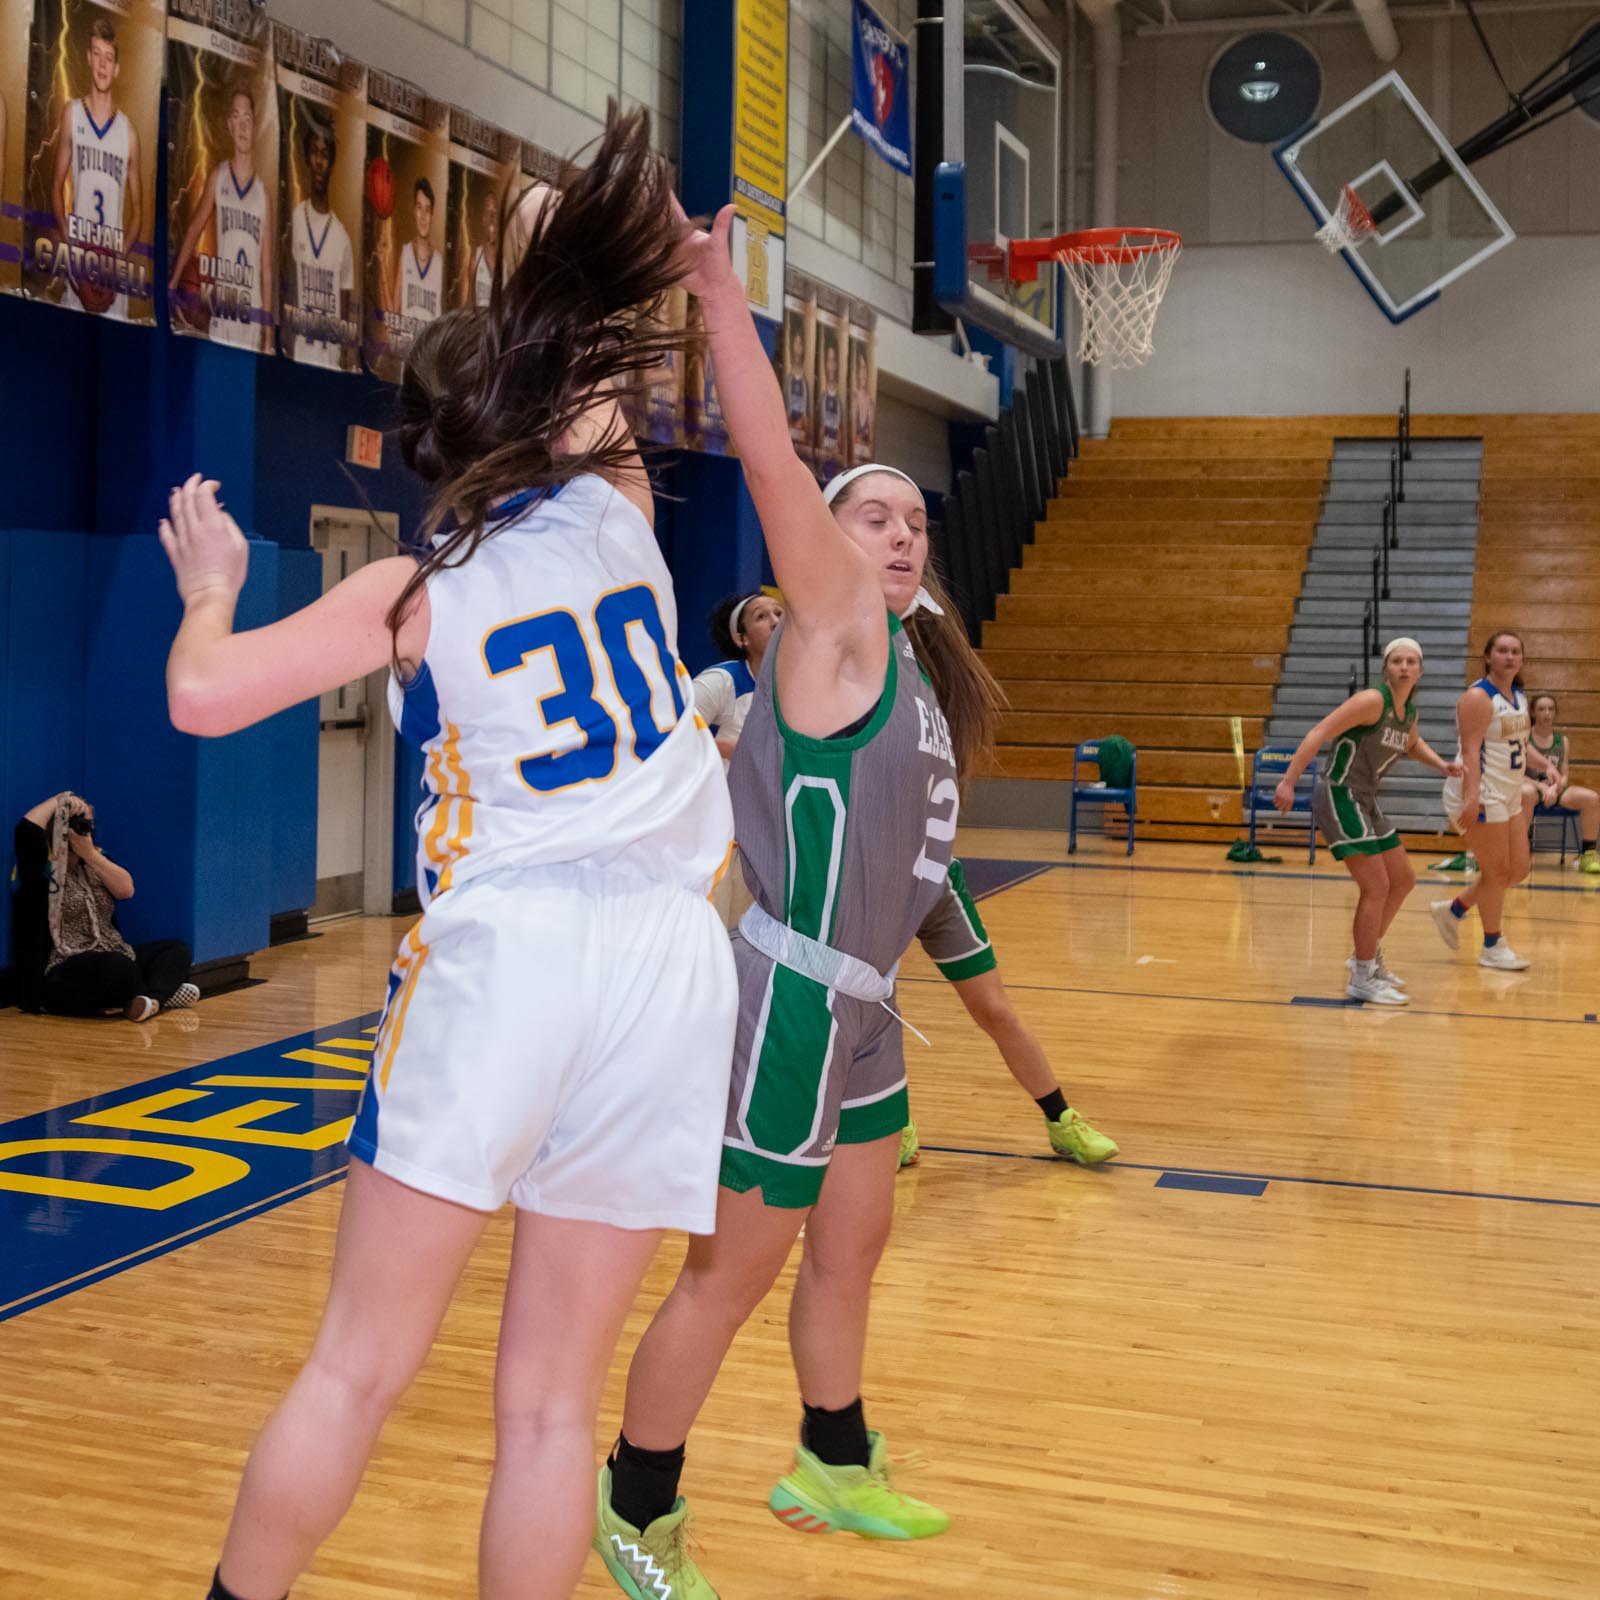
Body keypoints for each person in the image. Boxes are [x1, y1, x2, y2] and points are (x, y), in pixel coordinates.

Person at [162, 111, 736, 1600]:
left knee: (357, 1367)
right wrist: (554, 238)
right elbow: (587, 368)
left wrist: (213, 587)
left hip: (515, 951)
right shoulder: (618, 514)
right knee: (548, 1408)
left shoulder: (417, 590)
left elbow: (201, 698)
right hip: (675, 962)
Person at [593, 200, 1007, 1600]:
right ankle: (635, 1506)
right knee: (730, 1275)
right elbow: (770, 455)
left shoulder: (907, 665)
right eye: (871, 515)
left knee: (854, 1245)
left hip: (865, 1009)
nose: (900, 533)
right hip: (788, 1005)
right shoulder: (832, 630)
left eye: (915, 519)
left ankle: (832, 1456)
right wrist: (722, 300)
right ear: (822, 546)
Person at [897, 857, 1118, 1168]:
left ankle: (1061, 1120)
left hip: (936, 885)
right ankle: (893, 1127)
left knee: (995, 1010)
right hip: (873, 887)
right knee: (874, 1014)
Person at [1273, 637, 1459, 1004]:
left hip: (1366, 798)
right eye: (1397, 661)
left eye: (1411, 662)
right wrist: (1288, 781)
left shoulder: (1408, 713)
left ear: (1420, 670)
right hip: (1341, 792)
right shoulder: (1373, 700)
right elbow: (1319, 731)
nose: (1404, 667)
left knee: (1403, 880)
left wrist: (1441, 765)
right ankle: (1362, 976)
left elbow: (1411, 743)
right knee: (1376, 886)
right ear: (1386, 668)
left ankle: (1368, 954)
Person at [10, 792, 198, 1022]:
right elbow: (26, 830)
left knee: (177, 949)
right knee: (117, 966)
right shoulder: (40, 870)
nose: (84, 829)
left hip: (113, 953)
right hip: (63, 968)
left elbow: (126, 890)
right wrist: (60, 801)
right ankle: (162, 991)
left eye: (88, 824)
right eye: (76, 822)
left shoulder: (95, 861)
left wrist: (89, 854)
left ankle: (152, 1000)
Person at [1430, 631, 1555, 972]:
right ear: (1488, 657)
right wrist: (1472, 798)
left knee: (1518, 870)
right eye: (1502, 650)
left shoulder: (1518, 696)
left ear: (1522, 659)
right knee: (1497, 871)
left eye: (1515, 651)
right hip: (1482, 791)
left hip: (1508, 791)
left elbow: (1520, 743)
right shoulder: (1477, 697)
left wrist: (1545, 766)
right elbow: (1471, 750)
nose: (1509, 656)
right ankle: (1492, 945)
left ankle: (1453, 910)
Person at [169, 87, 273, 351]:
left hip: (251, 311)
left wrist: (269, 333)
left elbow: (266, 268)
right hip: (222, 307)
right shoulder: (219, 176)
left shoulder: (263, 194)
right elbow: (194, 229)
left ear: (255, 127)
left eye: (247, 118)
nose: (242, 125)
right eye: (236, 117)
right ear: (229, 125)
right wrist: (173, 283)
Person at [52, 17, 141, 320]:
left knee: (117, 349)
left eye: (109, 58)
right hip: (79, 264)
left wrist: (119, 259)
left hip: (111, 272)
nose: (103, 65)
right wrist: (70, 246)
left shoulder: (129, 133)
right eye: (97, 55)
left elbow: (138, 212)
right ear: (89, 58)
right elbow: (56, 187)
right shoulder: (72, 114)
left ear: (116, 69)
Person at [285, 112, 353, 370]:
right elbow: (285, 288)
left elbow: (345, 317)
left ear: (332, 162)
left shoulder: (342, 237)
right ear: (306, 157)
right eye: (314, 152)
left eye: (325, 154)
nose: (319, 161)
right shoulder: (293, 219)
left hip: (330, 365)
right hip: (295, 357)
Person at [691, 590, 783, 765]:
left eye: (779, 613)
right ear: (741, 638)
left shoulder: (806, 686)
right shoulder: (723, 680)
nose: (776, 622)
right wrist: (730, 749)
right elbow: (675, 733)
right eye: (761, 616)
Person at [1527, 692, 1600, 873]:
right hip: (1531, 787)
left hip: (1556, 788)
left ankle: (1588, 854)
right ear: (1533, 712)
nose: (1547, 713)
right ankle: (1519, 850)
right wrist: (1540, 786)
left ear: (1555, 712)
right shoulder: (1524, 738)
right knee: (1522, 793)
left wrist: (1554, 788)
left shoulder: (1562, 741)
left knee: (1592, 798)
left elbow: (1564, 775)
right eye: (1541, 709)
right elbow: (1516, 774)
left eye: (1551, 709)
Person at [391, 176, 441, 336]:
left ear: (432, 214)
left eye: (427, 209)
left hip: (428, 349)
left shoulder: (439, 263)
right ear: (414, 211)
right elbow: (394, 312)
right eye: (419, 208)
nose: (423, 216)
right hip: (407, 347)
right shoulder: (406, 253)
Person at [470, 185, 500, 308]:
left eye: (495, 212)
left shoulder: (504, 267)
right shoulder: (475, 260)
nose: (492, 216)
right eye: (488, 211)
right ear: (483, 219)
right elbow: (470, 305)